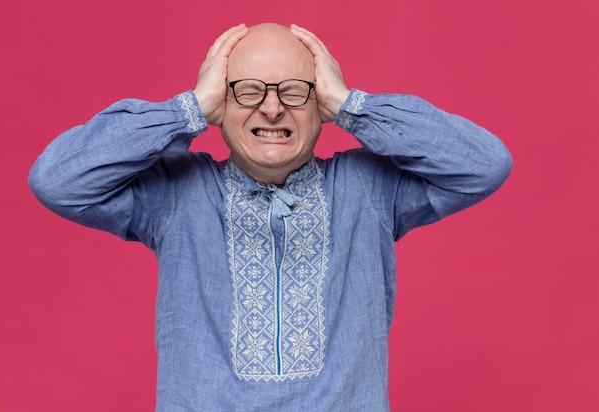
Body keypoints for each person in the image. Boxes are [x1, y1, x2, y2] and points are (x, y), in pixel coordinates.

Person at [29, 22, 512, 411]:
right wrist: (188, 109)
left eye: (296, 91)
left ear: (319, 102)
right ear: (221, 102)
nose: (274, 108)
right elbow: (58, 179)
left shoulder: (367, 189)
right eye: (249, 91)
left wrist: (352, 106)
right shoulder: (177, 195)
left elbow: (483, 165)